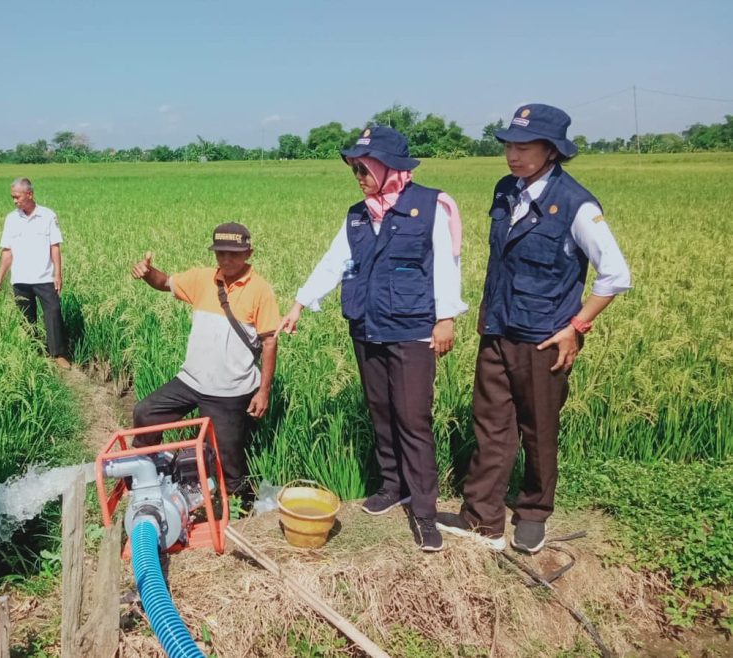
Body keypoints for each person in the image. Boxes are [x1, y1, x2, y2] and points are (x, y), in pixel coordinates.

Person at [437, 104, 632, 554]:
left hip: (545, 337)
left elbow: (616, 275)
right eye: (509, 145)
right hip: (498, 328)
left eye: (524, 147)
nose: (513, 155)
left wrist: (577, 326)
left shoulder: (577, 205)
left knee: (538, 429)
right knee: (490, 424)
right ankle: (482, 517)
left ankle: (533, 514)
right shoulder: (507, 191)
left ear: (552, 151)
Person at [278, 126, 466, 552]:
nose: (359, 175)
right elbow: (333, 262)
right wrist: (299, 304)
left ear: (391, 167)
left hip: (414, 328)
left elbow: (446, 266)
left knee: (413, 418)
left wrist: (446, 318)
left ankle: (424, 512)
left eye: (365, 167)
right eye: (354, 168)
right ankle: (392, 484)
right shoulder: (359, 214)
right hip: (367, 326)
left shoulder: (430, 207)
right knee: (381, 410)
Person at [130, 223, 279, 501]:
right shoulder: (202, 279)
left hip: (230, 390)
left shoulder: (261, 290)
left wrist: (264, 390)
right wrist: (148, 273)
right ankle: (144, 471)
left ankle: (238, 509)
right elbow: (165, 283)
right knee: (145, 413)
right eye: (220, 253)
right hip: (192, 379)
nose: (226, 260)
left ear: (249, 253)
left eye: (234, 254)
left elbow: (270, 341)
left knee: (228, 461)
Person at [0, 178, 70, 368]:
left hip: (44, 277)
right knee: (26, 318)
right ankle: (33, 352)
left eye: (17, 197)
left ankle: (58, 354)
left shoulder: (48, 216)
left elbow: (55, 247)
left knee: (53, 312)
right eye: (13, 197)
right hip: (21, 279)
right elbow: (7, 251)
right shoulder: (11, 219)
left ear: (30, 194)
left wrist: (58, 274)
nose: (15, 201)